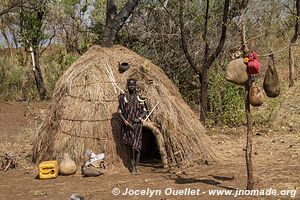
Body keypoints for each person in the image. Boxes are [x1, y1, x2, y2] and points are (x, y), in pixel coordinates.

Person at [118, 78, 147, 175]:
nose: (131, 87)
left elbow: (145, 110)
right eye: (130, 85)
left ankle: (137, 167)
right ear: (127, 85)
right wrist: (126, 122)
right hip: (128, 126)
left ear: (135, 86)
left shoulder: (140, 97)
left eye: (133, 85)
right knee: (131, 147)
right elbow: (120, 112)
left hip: (137, 126)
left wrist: (139, 118)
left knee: (137, 146)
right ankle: (132, 167)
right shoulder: (122, 98)